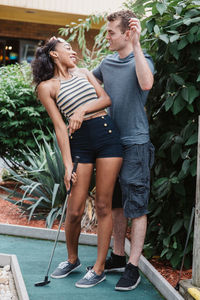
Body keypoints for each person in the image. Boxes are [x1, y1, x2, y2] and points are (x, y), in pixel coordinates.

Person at [31, 38, 123, 288]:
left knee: (104, 205)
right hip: (79, 144)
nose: (73, 51)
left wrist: (81, 111)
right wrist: (67, 164)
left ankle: (99, 267)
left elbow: (105, 99)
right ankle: (72, 259)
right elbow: (60, 128)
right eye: (67, 47)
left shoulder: (83, 73)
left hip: (107, 137)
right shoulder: (47, 87)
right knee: (74, 209)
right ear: (53, 54)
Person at [89, 10, 155, 291]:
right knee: (115, 203)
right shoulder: (105, 63)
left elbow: (146, 84)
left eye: (111, 33)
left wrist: (138, 45)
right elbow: (88, 85)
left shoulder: (143, 60)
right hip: (109, 144)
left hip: (136, 142)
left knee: (136, 207)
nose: (107, 37)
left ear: (127, 33)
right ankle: (117, 256)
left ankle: (133, 265)